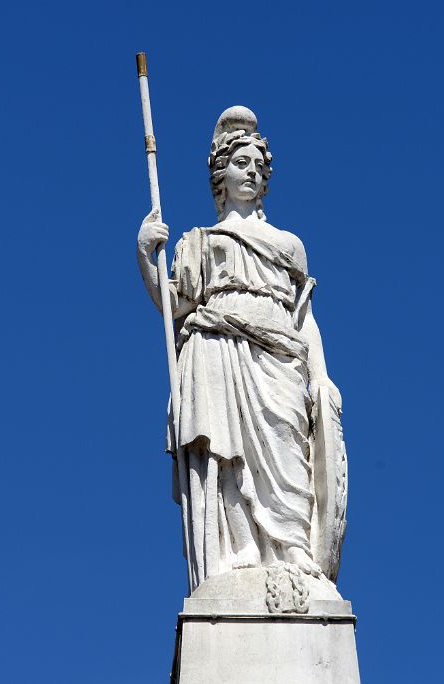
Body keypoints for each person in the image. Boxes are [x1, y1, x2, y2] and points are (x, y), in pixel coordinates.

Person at [136, 106, 343, 591]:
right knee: (227, 453)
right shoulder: (199, 243)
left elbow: (304, 319)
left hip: (279, 357)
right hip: (216, 348)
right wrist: (146, 256)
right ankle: (239, 555)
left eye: (258, 165)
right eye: (241, 162)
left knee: (287, 449)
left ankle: (293, 550)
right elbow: (175, 305)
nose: (251, 171)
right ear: (219, 174)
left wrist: (322, 377)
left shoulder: (288, 245)